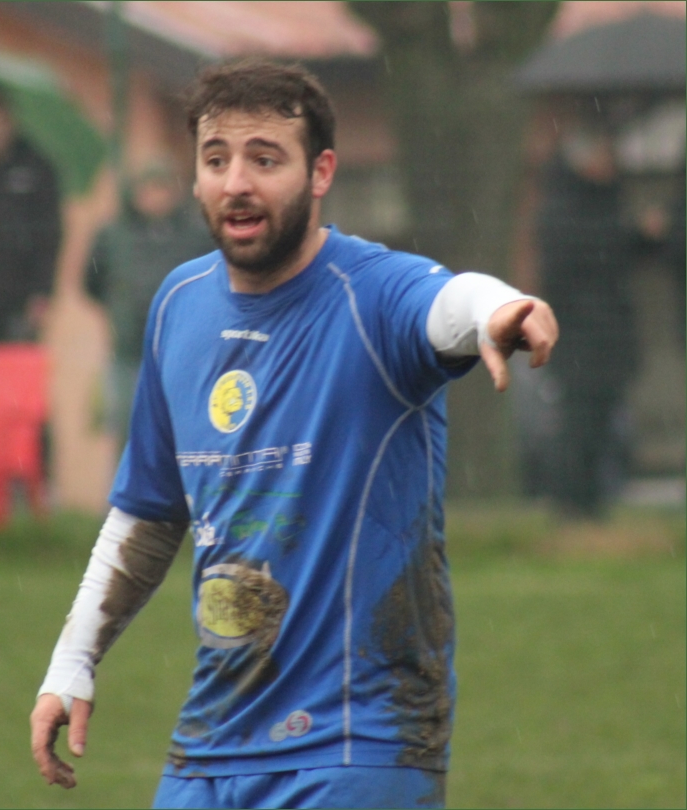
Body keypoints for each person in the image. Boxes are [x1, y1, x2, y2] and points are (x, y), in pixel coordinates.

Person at [30, 58, 558, 810]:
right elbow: (148, 512)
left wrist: (499, 310)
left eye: (265, 159)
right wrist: (71, 663)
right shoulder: (178, 305)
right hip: (210, 743)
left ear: (321, 173)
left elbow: (450, 302)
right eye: (216, 160)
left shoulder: (374, 292)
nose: (236, 183)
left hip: (358, 739)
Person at [536, 125, 639, 518]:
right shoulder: (567, 211)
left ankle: (591, 503)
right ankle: (573, 504)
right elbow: (576, 263)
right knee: (579, 423)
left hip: (602, 335)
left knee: (599, 422)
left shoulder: (599, 206)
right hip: (580, 336)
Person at [84, 161, 214, 450]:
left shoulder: (196, 235)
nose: (155, 198)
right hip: (129, 351)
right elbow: (91, 281)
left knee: (181, 429)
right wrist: (119, 309)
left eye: (161, 189)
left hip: (182, 350)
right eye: (148, 190)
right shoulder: (113, 235)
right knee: (129, 427)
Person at [0, 83, 62, 344]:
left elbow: (49, 235)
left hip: (22, 296)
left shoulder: (37, 168)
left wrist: (42, 292)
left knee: (19, 363)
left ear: (10, 122)